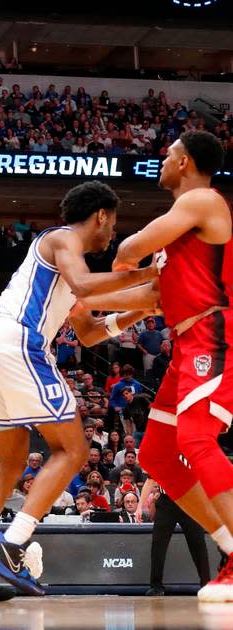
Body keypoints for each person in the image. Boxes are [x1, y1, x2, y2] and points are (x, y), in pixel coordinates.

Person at [0, 181, 156, 601]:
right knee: (74, 449)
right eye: (114, 224)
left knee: (10, 463)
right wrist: (151, 277)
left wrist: (144, 306)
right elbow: (90, 286)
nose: (113, 235)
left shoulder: (64, 264)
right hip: (19, 342)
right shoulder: (64, 238)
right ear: (102, 215)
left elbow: (91, 332)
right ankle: (14, 543)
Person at [99, 131, 233, 602]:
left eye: (170, 155)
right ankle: (228, 545)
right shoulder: (181, 235)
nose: (163, 160)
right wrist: (86, 305)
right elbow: (147, 292)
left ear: (187, 163)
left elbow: (130, 250)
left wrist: (120, 266)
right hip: (185, 342)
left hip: (214, 334)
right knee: (156, 454)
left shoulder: (202, 201)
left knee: (196, 439)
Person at [140, 479, 210, 596]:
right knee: (158, 545)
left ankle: (206, 584)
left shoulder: (192, 460)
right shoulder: (164, 460)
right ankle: (156, 586)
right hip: (167, 501)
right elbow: (150, 480)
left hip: (190, 500)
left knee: (198, 545)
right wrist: (139, 507)